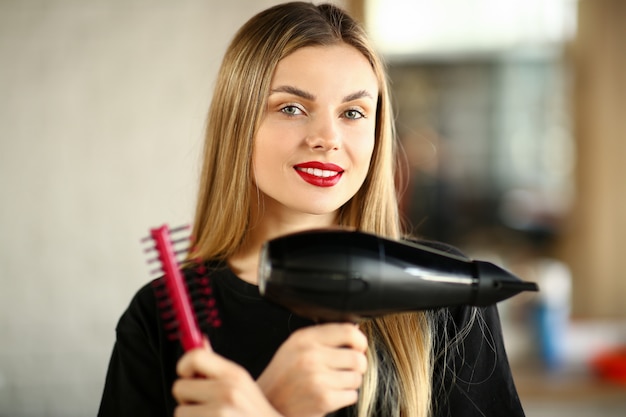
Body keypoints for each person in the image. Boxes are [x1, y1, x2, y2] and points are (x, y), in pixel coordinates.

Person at [98, 2, 526, 417]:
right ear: (238, 123)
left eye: (354, 112)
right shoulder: (157, 320)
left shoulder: (451, 302)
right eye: (291, 108)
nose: (327, 138)